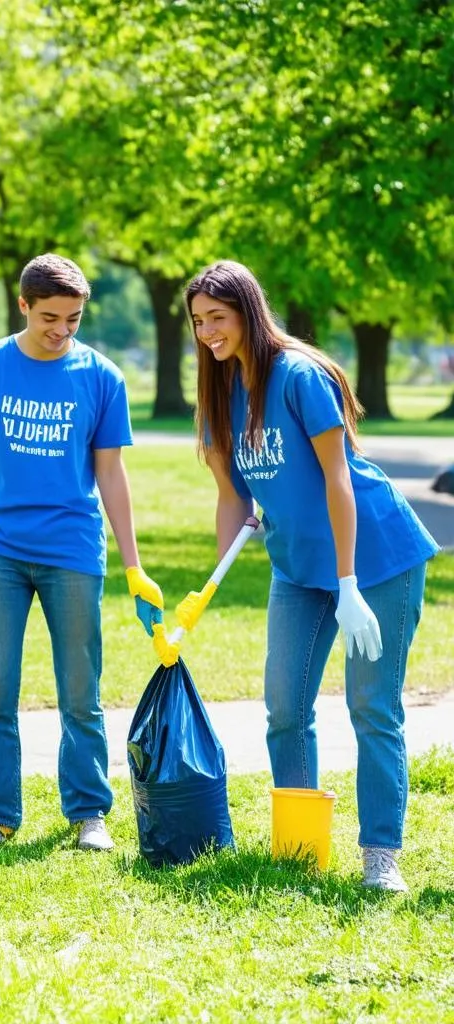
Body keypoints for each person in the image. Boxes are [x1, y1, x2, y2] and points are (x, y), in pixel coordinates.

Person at [177, 260, 439, 892]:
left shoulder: (297, 376)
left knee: (372, 706)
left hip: (375, 558)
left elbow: (339, 478)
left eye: (219, 317)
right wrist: (212, 582)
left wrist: (349, 585)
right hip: (298, 571)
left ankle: (381, 856)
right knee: (284, 708)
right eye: (198, 322)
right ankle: (300, 848)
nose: (209, 332)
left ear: (248, 312)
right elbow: (232, 498)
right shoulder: (218, 394)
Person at [0, 253, 165, 854]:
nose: (62, 330)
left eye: (74, 319)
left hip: (72, 549)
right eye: (50, 317)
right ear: (23, 304)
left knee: (81, 690)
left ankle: (88, 814)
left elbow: (111, 472)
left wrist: (133, 566)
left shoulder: (102, 376)